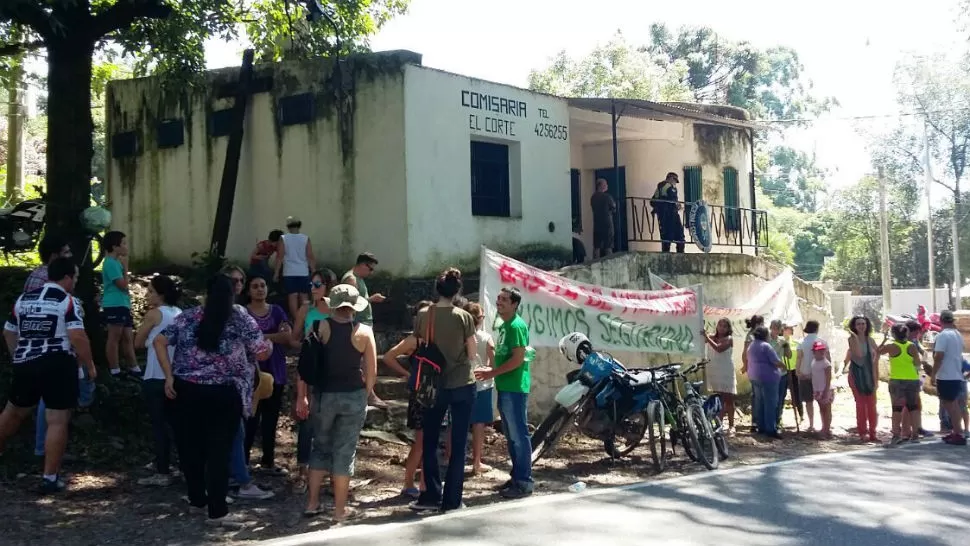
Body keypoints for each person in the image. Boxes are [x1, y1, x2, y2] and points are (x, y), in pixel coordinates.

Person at [154, 275, 272, 527]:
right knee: (219, 452)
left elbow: (159, 341)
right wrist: (270, 344)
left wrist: (168, 376)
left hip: (185, 391)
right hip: (223, 392)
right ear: (233, 294)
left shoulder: (187, 317)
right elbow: (261, 350)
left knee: (190, 449)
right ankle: (217, 511)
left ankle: (197, 500)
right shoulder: (239, 317)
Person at [0, 257, 97, 493]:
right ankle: (50, 477)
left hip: (25, 363)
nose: (75, 282)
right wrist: (90, 365)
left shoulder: (24, 299)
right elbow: (77, 336)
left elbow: (8, 331)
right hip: (58, 364)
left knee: (12, 412)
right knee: (57, 419)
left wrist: (17, 356)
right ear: (66, 278)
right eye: (74, 277)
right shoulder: (68, 301)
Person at [301, 284, 377, 522]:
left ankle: (312, 504)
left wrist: (303, 395)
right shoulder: (364, 332)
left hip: (324, 395)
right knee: (345, 451)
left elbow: (304, 365)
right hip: (352, 394)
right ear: (354, 307)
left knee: (320, 447)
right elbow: (372, 370)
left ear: (332, 304)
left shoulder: (317, 327)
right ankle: (339, 511)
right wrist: (365, 393)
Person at [407, 269, 477, 513]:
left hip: (432, 384)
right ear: (457, 291)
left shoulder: (424, 315)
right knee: (457, 444)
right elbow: (471, 353)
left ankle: (430, 496)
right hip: (461, 382)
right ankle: (453, 499)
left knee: (429, 440)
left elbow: (419, 342)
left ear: (437, 289)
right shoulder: (464, 317)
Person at [24, 236, 93, 460]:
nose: (69, 257)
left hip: (37, 354)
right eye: (65, 253)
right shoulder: (46, 285)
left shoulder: (41, 282)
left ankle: (48, 449)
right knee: (52, 407)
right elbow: (75, 332)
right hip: (50, 354)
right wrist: (88, 363)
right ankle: (45, 452)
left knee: (27, 408)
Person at [475, 287, 533, 499]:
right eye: (498, 298)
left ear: (515, 304)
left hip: (515, 388)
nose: (499, 302)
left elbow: (517, 360)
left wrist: (492, 372)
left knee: (519, 436)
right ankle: (517, 477)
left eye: (505, 300)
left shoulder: (516, 326)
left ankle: (525, 482)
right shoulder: (505, 326)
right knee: (511, 436)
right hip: (505, 387)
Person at [133, 275, 182, 486]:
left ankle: (162, 470)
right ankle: (178, 464)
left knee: (158, 425)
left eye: (151, 291)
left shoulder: (155, 314)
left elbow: (138, 341)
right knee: (176, 424)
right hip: (177, 375)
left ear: (161, 294)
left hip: (155, 375)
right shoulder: (180, 314)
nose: (147, 295)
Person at [381, 300, 432, 499]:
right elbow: (388, 357)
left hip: (435, 393)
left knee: (430, 442)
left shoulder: (436, 338)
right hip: (420, 395)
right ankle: (409, 483)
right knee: (420, 442)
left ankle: (425, 484)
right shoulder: (414, 340)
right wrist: (408, 374)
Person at [243, 276, 292, 474]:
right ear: (248, 291)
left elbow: (286, 336)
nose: (259, 289)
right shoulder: (243, 313)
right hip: (250, 373)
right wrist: (273, 336)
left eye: (263, 285)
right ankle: (243, 461)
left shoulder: (278, 311)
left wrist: (261, 337)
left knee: (271, 418)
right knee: (250, 418)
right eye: (255, 286)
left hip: (275, 371)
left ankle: (268, 460)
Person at [293, 269, 338, 481]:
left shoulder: (338, 311)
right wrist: (307, 345)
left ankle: (329, 472)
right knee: (307, 421)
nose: (313, 288)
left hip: (332, 371)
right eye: (311, 284)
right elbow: (294, 339)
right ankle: (302, 470)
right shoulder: (306, 309)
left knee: (331, 423)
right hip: (309, 370)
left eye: (318, 284)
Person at [342, 252, 387, 408]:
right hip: (358, 324)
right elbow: (350, 303)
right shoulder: (351, 279)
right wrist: (371, 299)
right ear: (362, 264)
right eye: (370, 268)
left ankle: (369, 393)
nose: (371, 272)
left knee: (367, 361)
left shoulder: (358, 278)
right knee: (366, 362)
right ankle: (369, 395)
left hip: (364, 323)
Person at [102, 230, 141, 377]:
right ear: (115, 246)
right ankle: (114, 369)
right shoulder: (110, 264)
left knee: (127, 336)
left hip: (123, 303)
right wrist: (126, 269)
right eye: (123, 243)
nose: (126, 246)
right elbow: (122, 285)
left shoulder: (115, 262)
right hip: (114, 304)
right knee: (114, 336)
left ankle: (134, 366)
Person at [465, 301, 496, 474]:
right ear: (480, 319)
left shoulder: (460, 337)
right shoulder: (486, 337)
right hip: (483, 385)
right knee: (478, 425)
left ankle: (450, 456)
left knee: (457, 422)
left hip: (462, 383)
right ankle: (477, 462)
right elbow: (493, 361)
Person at [879, 323, 922, 446]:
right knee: (913, 407)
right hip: (912, 379)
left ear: (893, 334)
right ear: (907, 334)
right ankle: (915, 435)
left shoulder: (891, 347)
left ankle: (896, 435)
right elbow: (918, 364)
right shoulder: (912, 347)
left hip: (897, 380)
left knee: (897, 408)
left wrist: (884, 339)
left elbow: (877, 351)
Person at [930, 310, 966, 446]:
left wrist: (933, 374)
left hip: (946, 376)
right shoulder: (957, 335)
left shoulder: (943, 336)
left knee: (949, 404)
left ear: (941, 321)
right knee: (953, 404)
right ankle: (957, 431)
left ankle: (958, 432)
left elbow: (939, 356)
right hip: (955, 373)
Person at [843, 316, 879, 443]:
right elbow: (858, 355)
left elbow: (876, 362)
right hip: (856, 376)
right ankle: (863, 433)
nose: (861, 326)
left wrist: (876, 379)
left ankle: (873, 433)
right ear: (854, 326)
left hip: (870, 376)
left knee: (872, 405)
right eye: (858, 324)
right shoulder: (852, 340)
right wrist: (857, 338)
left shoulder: (872, 341)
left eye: (863, 323)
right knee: (860, 405)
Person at [745, 326, 786, 439]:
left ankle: (761, 426)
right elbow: (775, 361)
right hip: (768, 378)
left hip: (755, 376)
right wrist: (783, 366)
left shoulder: (751, 346)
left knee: (760, 403)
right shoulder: (766, 346)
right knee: (770, 404)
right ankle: (770, 429)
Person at [274, 216, 315, 321]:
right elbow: (310, 256)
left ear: (288, 226)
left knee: (292, 296)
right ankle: (305, 320)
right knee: (304, 296)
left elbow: (280, 256)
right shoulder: (305, 238)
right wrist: (314, 271)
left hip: (289, 271)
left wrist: (276, 273)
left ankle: (296, 320)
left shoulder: (283, 238)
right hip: (303, 271)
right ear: (300, 225)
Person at [702, 318, 735, 431]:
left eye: (725, 326)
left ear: (728, 328)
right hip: (714, 371)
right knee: (718, 399)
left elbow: (718, 348)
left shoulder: (729, 339)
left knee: (728, 399)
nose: (721, 328)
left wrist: (706, 337)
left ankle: (731, 425)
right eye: (720, 325)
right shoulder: (712, 337)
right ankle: (719, 424)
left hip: (725, 371)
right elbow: (700, 340)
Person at [796, 320, 825, 432]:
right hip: (819, 374)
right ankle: (823, 424)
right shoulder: (821, 341)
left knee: (808, 401)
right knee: (821, 400)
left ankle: (811, 424)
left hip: (804, 373)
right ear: (817, 329)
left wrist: (798, 371)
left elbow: (799, 358)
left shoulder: (801, 342)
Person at [740, 315, 765, 433]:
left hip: (757, 368)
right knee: (758, 395)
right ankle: (756, 421)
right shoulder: (752, 336)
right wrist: (745, 365)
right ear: (758, 323)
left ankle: (758, 421)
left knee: (757, 395)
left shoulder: (755, 335)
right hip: (757, 368)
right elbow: (745, 353)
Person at [649, 172, 685, 253]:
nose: (675, 183)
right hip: (671, 214)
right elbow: (673, 200)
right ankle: (680, 255)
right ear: (671, 178)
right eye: (675, 180)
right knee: (680, 236)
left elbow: (652, 201)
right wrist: (677, 206)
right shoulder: (669, 186)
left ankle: (665, 254)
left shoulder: (659, 187)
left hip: (662, 216)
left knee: (666, 237)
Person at [769, 319, 792, 428]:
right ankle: (770, 421)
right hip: (769, 373)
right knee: (771, 398)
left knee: (780, 398)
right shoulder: (766, 340)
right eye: (774, 327)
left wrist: (787, 345)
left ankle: (778, 420)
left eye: (778, 328)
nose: (775, 330)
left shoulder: (783, 341)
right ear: (770, 327)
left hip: (782, 373)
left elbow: (789, 355)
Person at [810, 340, 834, 439]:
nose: (821, 352)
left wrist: (826, 391)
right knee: (821, 409)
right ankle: (824, 427)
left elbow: (828, 378)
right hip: (817, 389)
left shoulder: (826, 363)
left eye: (822, 350)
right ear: (814, 352)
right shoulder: (814, 361)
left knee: (827, 409)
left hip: (825, 389)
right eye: (819, 351)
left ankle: (827, 429)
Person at [781, 325, 804, 425]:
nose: (787, 331)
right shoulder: (779, 343)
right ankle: (779, 417)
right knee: (781, 394)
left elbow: (800, 357)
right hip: (782, 371)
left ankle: (801, 415)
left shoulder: (796, 344)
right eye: (786, 329)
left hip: (794, 371)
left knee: (797, 394)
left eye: (789, 329)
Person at [590, 178, 616, 259]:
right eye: (605, 184)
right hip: (607, 223)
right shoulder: (607, 197)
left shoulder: (593, 197)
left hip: (597, 223)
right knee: (608, 246)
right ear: (601, 186)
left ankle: (595, 264)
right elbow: (613, 208)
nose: (607, 186)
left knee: (597, 246)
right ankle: (610, 263)